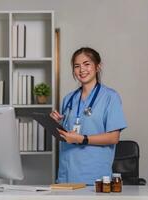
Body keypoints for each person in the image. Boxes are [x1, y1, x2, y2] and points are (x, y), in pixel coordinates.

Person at [50, 47, 127, 185]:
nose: (82, 70)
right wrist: (56, 123)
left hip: (95, 178)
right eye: (77, 66)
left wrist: (83, 139)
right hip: (66, 176)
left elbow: (114, 137)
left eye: (87, 64)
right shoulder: (68, 99)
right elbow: (67, 135)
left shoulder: (110, 97)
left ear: (98, 66)